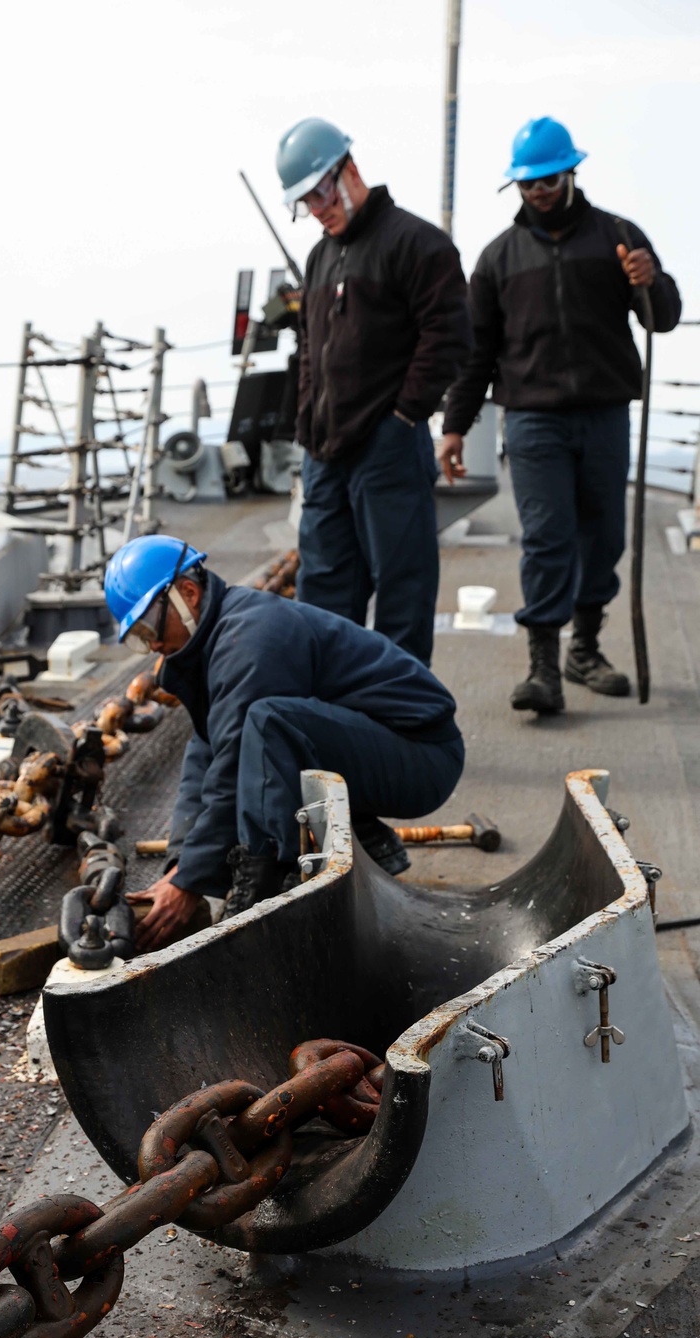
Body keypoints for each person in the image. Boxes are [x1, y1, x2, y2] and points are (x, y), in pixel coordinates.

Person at [106, 535, 465, 952]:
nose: (150, 643)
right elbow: (205, 755)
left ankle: (260, 895)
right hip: (384, 747)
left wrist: (191, 882)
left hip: (423, 755)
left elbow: (232, 770)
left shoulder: (249, 638)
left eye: (150, 625)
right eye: (138, 636)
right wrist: (180, 865)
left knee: (268, 724)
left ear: (188, 593)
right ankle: (370, 846)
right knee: (261, 734)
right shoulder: (213, 642)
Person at [440, 117, 682, 715]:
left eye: (548, 180)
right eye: (528, 184)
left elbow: (664, 318)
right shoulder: (498, 258)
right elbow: (477, 354)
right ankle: (544, 666)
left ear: (571, 172)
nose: (539, 192)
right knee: (548, 539)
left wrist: (654, 280)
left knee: (602, 537)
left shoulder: (619, 237)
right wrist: (454, 426)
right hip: (532, 421)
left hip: (604, 414)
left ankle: (586, 650)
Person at [278, 117, 471, 666]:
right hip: (325, 456)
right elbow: (312, 352)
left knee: (403, 594)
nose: (318, 209)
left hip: (389, 451)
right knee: (323, 598)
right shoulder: (320, 258)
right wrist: (307, 430)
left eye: (321, 193)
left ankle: (402, 732)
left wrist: (403, 417)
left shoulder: (417, 243)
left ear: (349, 171)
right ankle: (333, 725)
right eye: (306, 202)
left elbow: (450, 337)